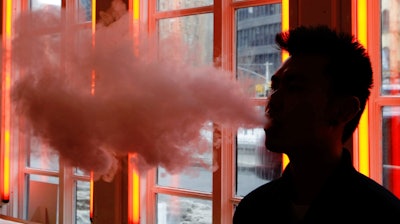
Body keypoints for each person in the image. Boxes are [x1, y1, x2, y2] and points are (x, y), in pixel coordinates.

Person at [233, 25, 400, 223]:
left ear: (343, 110)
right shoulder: (253, 208)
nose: (272, 102)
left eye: (294, 88)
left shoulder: (382, 215)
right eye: (274, 87)